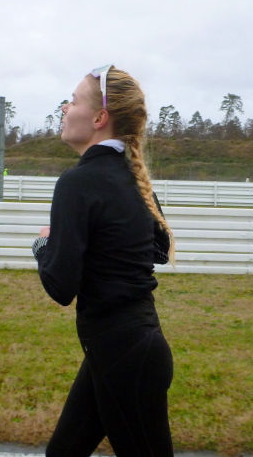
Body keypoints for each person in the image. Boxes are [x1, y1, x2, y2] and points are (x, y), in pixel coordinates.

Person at [31, 64, 175, 456]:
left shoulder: (77, 182)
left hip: (125, 358)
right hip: (125, 352)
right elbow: (159, 250)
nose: (64, 108)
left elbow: (61, 287)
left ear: (99, 118)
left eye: (73, 101)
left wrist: (43, 245)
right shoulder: (132, 177)